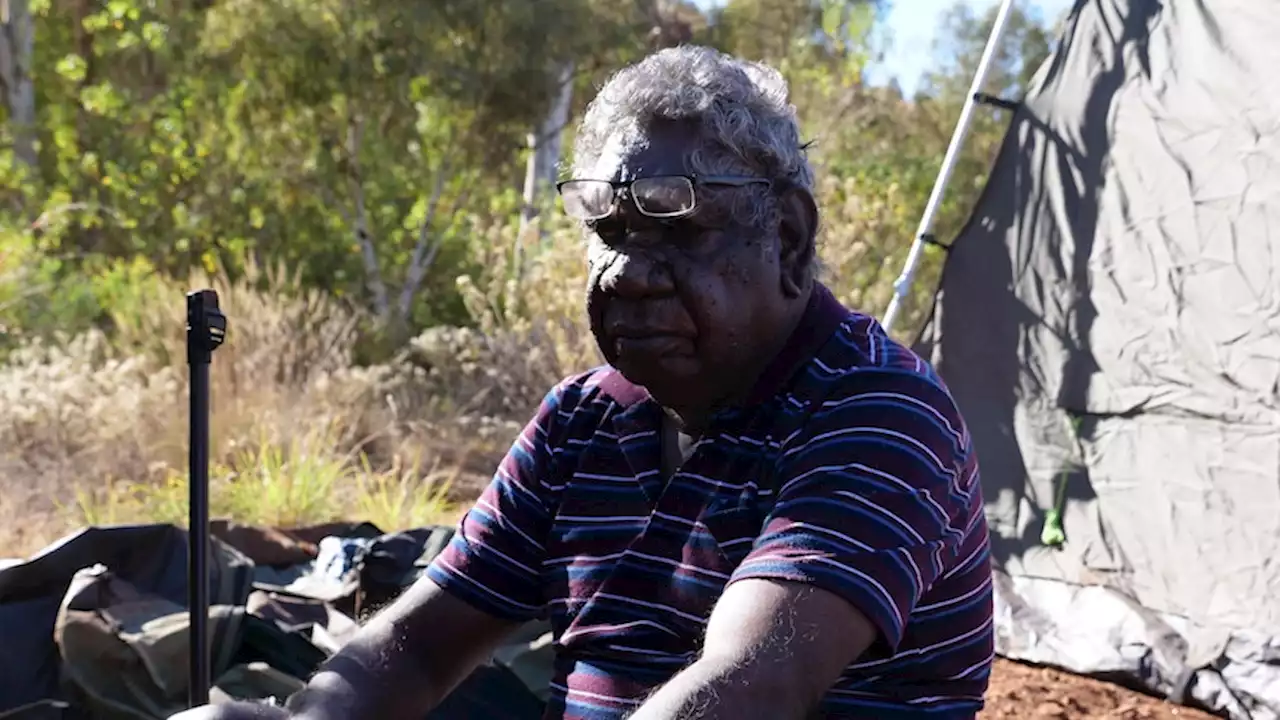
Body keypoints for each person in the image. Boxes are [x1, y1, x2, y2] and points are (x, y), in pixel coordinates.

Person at [174, 45, 994, 720]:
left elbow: (750, 688)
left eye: (677, 229)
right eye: (608, 231)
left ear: (785, 238)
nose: (628, 273)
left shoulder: (877, 414)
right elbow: (417, 647)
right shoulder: (584, 421)